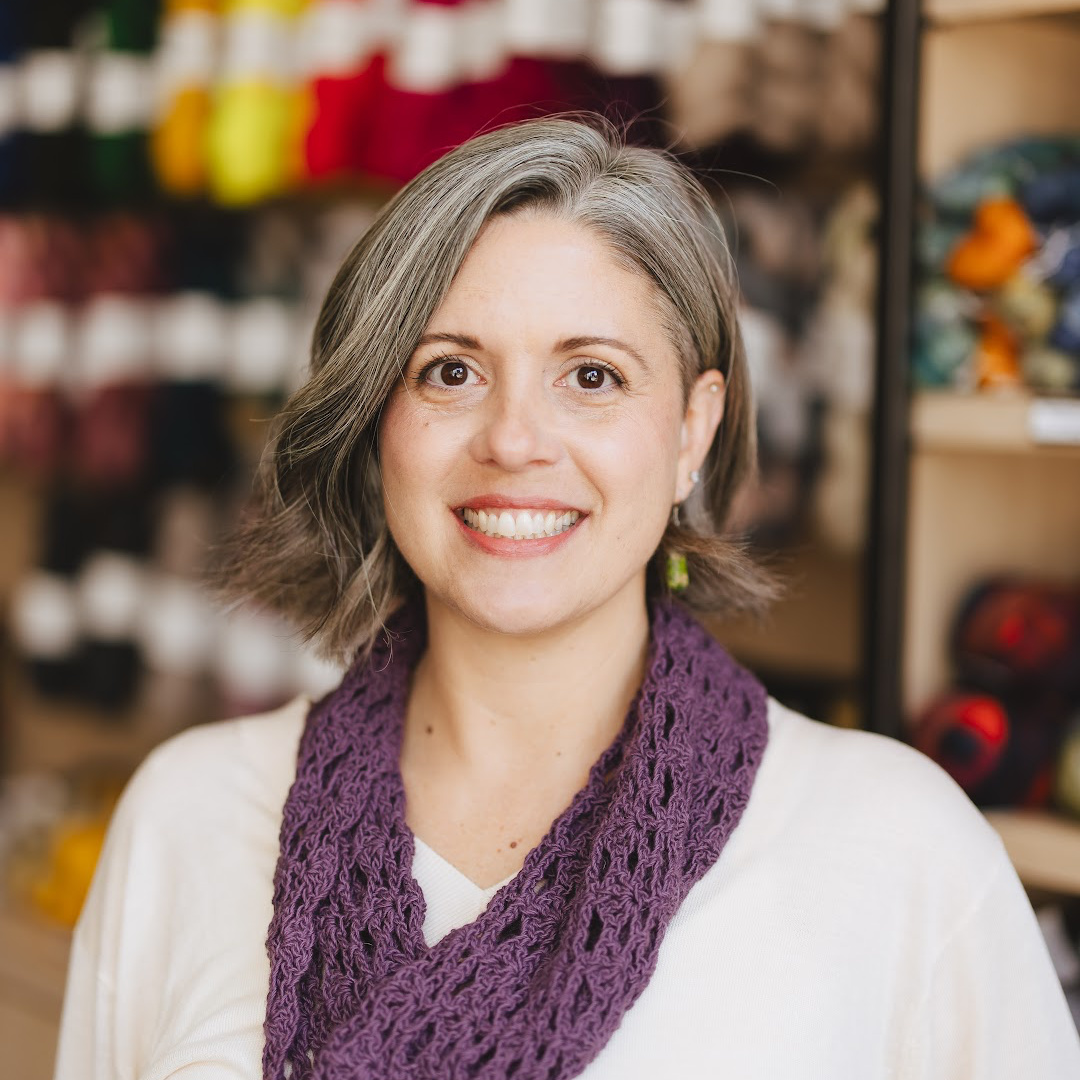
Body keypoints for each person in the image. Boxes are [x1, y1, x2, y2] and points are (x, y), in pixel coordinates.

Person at [54, 117, 1079, 1080]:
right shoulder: (187, 816)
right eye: (450, 371)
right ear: (374, 424)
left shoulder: (900, 854)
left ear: (692, 431)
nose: (513, 440)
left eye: (592, 377)